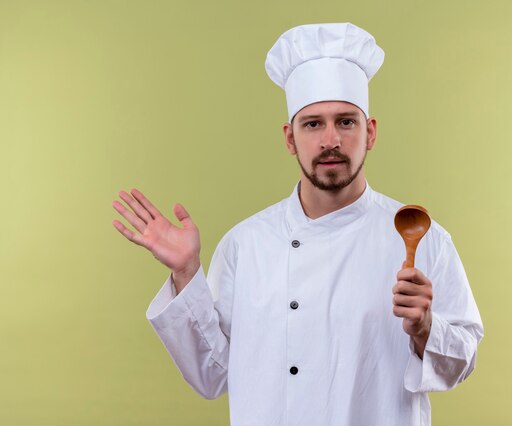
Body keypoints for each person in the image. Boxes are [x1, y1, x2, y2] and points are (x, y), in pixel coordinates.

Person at [112, 22, 483, 426]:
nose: (330, 141)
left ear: (370, 132)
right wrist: (186, 274)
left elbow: (463, 359)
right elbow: (213, 374)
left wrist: (425, 328)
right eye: (312, 124)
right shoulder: (245, 244)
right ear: (290, 138)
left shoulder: (423, 239)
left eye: (346, 122)